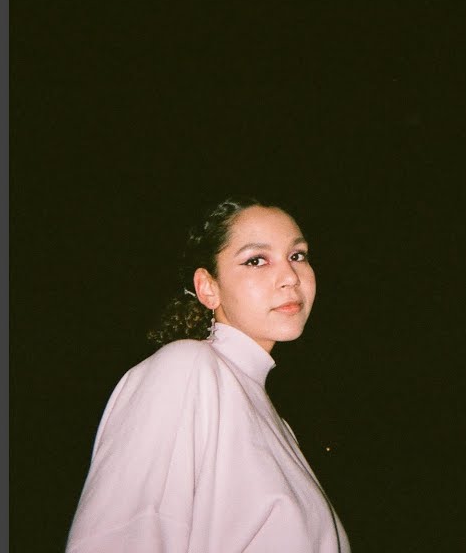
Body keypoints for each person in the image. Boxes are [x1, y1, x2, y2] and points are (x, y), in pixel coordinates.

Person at [66, 196, 350, 553]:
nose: (290, 277)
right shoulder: (187, 370)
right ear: (208, 287)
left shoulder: (277, 422)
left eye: (297, 255)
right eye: (256, 260)